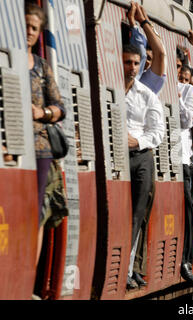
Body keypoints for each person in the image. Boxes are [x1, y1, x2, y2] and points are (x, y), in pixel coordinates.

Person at [26, 3, 66, 268]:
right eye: (25, 26)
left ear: (39, 32)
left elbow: (60, 108)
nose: (28, 32)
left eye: (33, 28)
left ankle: (29, 273)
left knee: (36, 215)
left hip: (40, 148)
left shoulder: (41, 67)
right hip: (13, 146)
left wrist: (42, 113)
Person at [123, 44, 165, 290]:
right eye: (128, 62)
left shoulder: (147, 95)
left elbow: (157, 132)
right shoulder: (112, 89)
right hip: (115, 157)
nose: (132, 68)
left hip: (141, 158)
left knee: (137, 216)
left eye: (135, 63)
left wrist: (137, 140)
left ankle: (127, 271)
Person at [178, 60, 193, 284]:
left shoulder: (190, 93)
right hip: (177, 160)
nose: (182, 81)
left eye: (185, 78)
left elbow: (189, 122)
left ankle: (185, 259)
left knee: (189, 209)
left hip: (188, 162)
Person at [127, 2, 166, 95]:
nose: (146, 61)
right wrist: (145, 21)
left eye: (149, 59)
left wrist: (141, 22)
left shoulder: (152, 80)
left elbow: (160, 53)